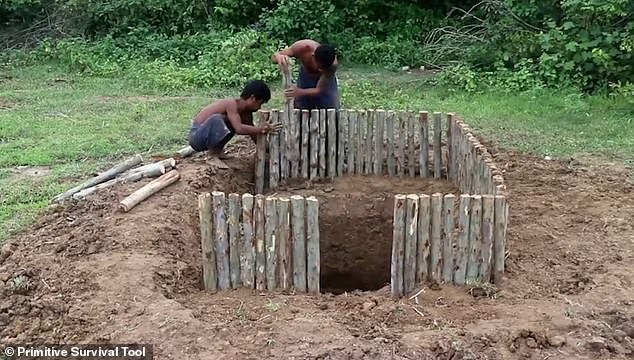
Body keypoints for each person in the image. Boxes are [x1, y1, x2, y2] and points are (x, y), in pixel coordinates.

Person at [188, 79, 282, 168]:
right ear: (252, 98)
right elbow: (239, 129)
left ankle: (217, 151)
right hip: (196, 137)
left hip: (204, 137)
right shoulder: (231, 104)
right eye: (260, 103)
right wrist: (261, 128)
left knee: (233, 122)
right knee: (219, 119)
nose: (259, 107)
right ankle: (211, 156)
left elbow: (253, 135)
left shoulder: (246, 114)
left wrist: (272, 150)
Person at [272, 39, 340, 110]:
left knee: (331, 111)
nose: (320, 70)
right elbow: (274, 57)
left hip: (325, 82)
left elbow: (319, 90)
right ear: (313, 56)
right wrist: (279, 57)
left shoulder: (332, 66)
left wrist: (299, 92)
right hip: (306, 76)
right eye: (319, 66)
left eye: (323, 68)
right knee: (301, 110)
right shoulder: (303, 47)